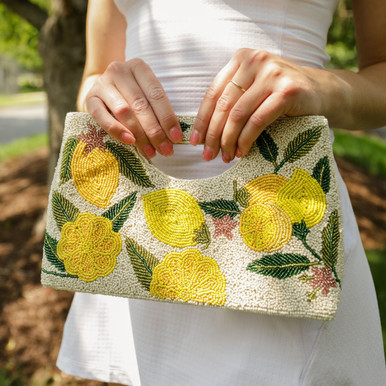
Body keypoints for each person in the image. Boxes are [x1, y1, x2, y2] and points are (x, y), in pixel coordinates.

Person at [56, 0, 386, 385]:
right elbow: (94, 72)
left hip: (279, 248)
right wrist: (100, 92)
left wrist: (323, 87)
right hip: (137, 243)